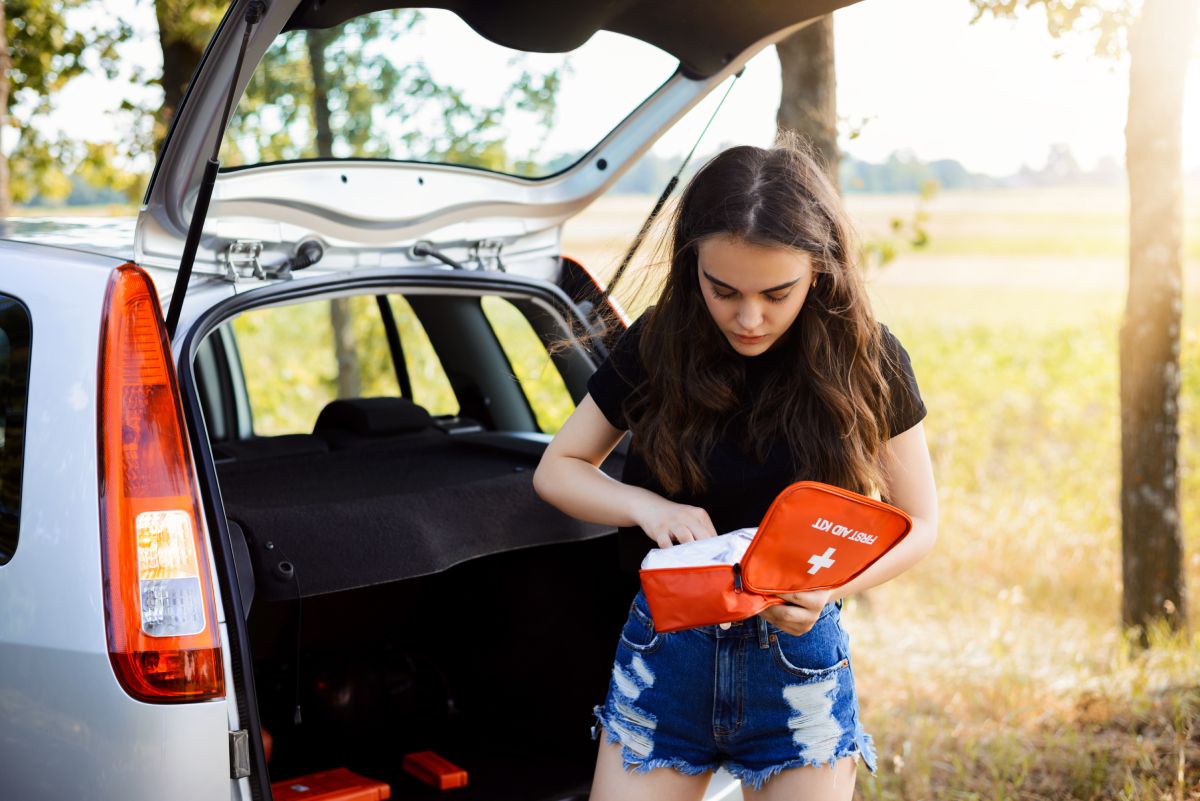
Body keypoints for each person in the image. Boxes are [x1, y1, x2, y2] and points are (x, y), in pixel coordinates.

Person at [531, 135, 938, 801]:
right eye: (723, 290)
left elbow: (920, 523)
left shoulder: (868, 356)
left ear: (820, 267)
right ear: (692, 262)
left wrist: (832, 587)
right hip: (667, 655)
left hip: (796, 662)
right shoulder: (658, 342)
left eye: (778, 292)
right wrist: (647, 507)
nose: (749, 318)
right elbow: (559, 469)